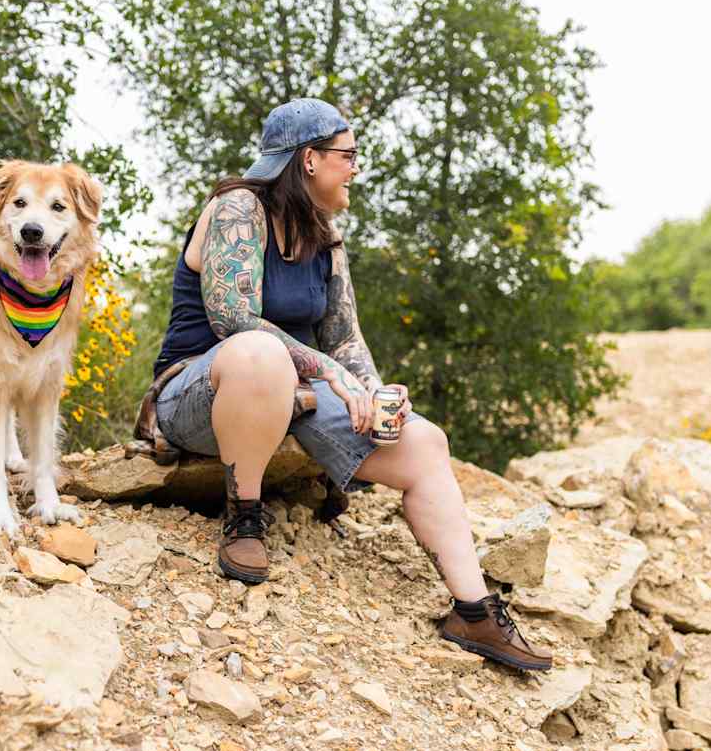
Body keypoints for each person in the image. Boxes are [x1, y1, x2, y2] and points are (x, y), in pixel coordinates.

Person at [144, 98, 551, 673]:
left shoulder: (325, 234)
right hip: (202, 392)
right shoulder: (237, 208)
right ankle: (244, 518)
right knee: (262, 354)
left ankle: (474, 611)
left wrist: (376, 394)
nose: (356, 167)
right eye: (348, 154)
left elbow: (345, 339)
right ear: (308, 159)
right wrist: (329, 371)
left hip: (294, 398)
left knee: (425, 443)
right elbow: (232, 317)